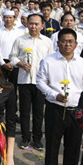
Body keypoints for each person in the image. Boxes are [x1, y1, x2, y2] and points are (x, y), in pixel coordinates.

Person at [36, 28, 83, 165]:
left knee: (73, 144)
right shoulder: (48, 61)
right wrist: (54, 94)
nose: (67, 44)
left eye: (70, 41)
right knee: (53, 143)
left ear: (75, 44)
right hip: (55, 107)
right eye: (63, 41)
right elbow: (40, 81)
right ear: (57, 43)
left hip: (76, 109)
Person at [9, 13, 53, 150]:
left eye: (36, 24)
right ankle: (25, 137)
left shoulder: (47, 42)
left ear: (42, 26)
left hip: (40, 82)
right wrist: (20, 63)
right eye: (31, 23)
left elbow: (51, 61)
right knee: (25, 111)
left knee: (39, 112)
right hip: (24, 81)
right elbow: (12, 57)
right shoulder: (20, 40)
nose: (33, 26)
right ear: (27, 24)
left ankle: (37, 138)